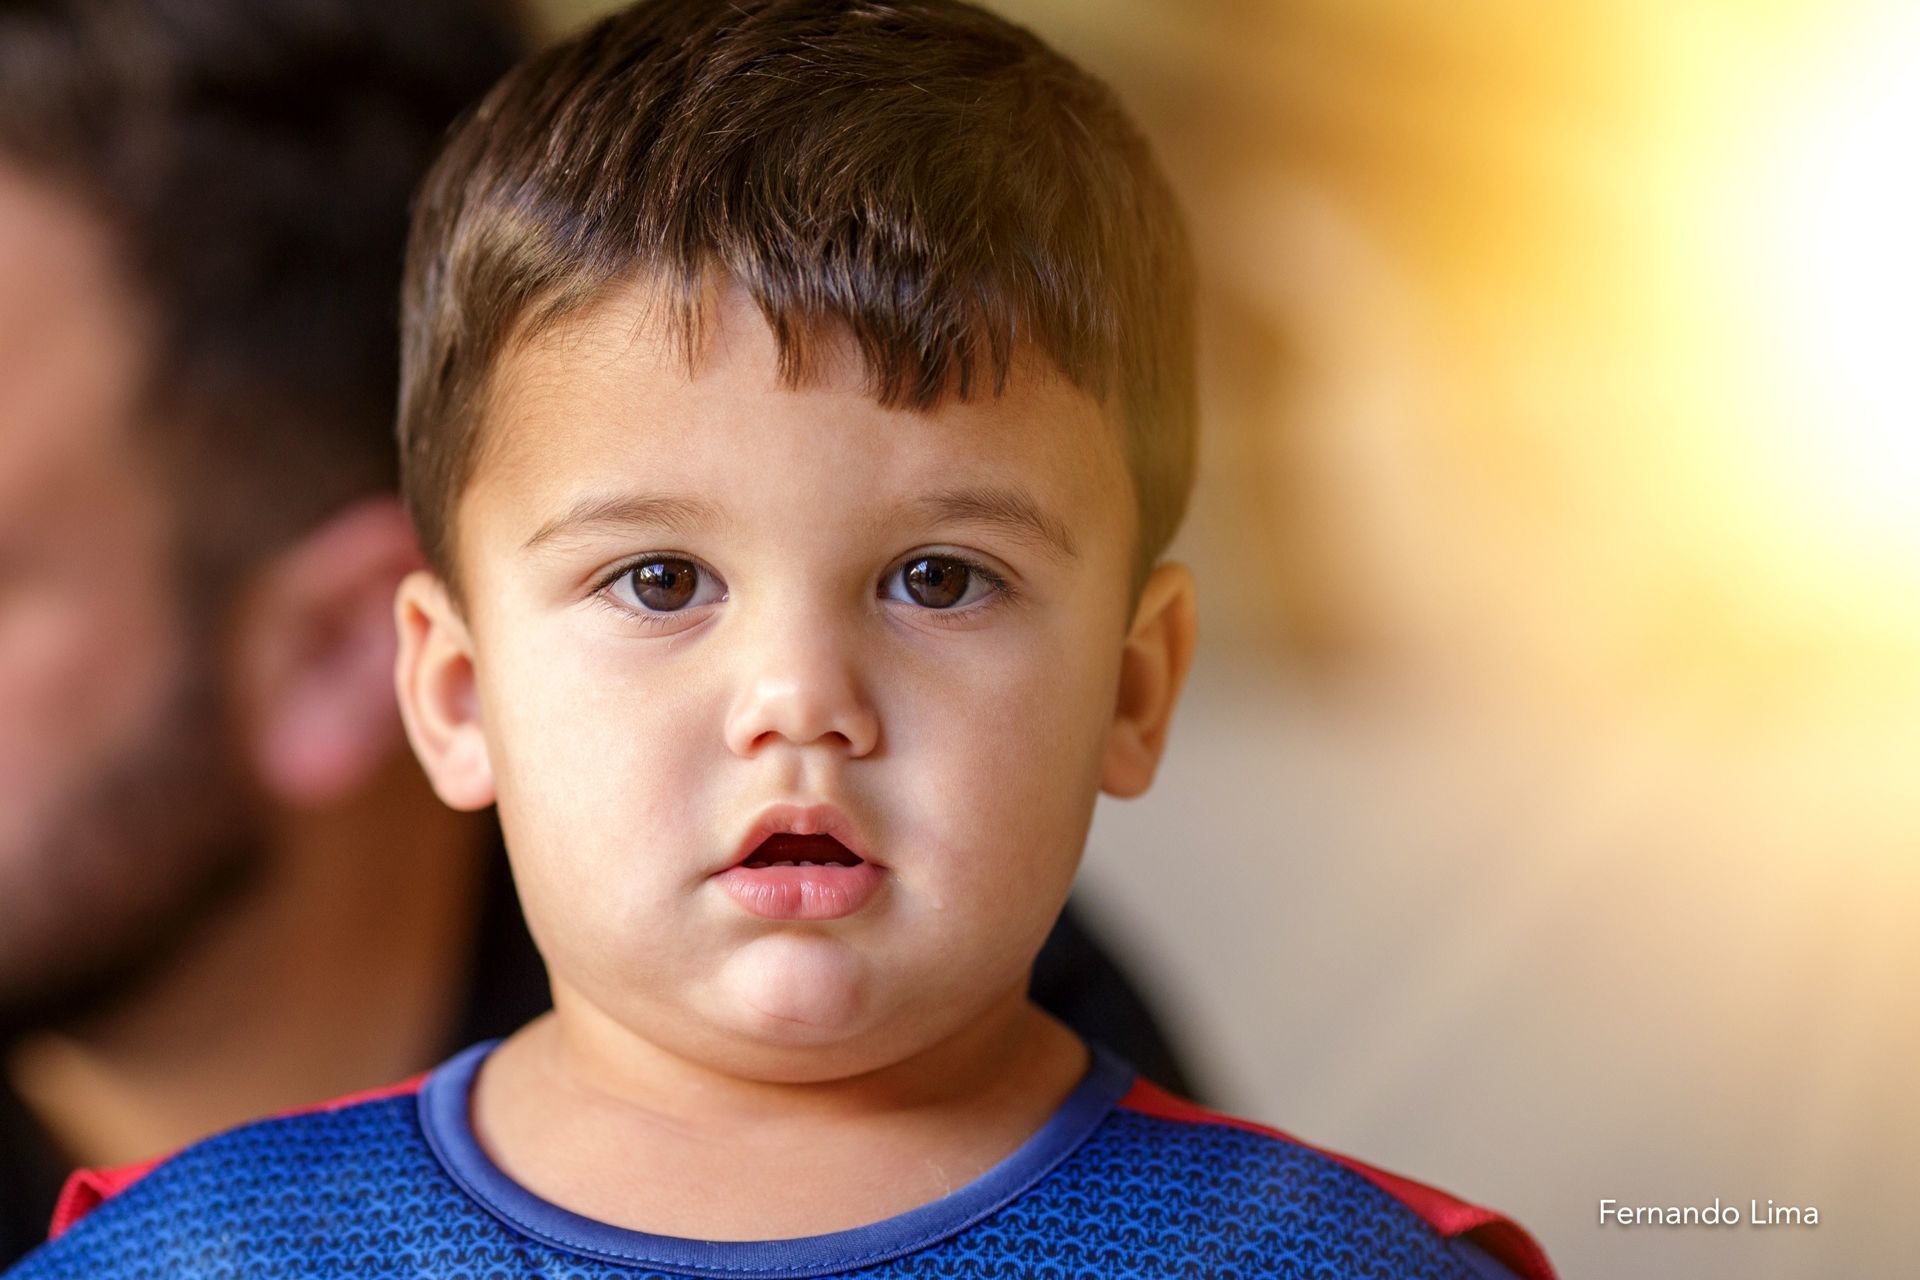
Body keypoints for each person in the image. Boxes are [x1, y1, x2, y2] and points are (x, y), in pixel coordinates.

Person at [5, 1, 1553, 1277]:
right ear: (456, 690)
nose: (801, 700)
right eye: (664, 581)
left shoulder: (1337, 1262)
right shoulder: (187, 1259)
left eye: (940, 578)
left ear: (1133, 686)